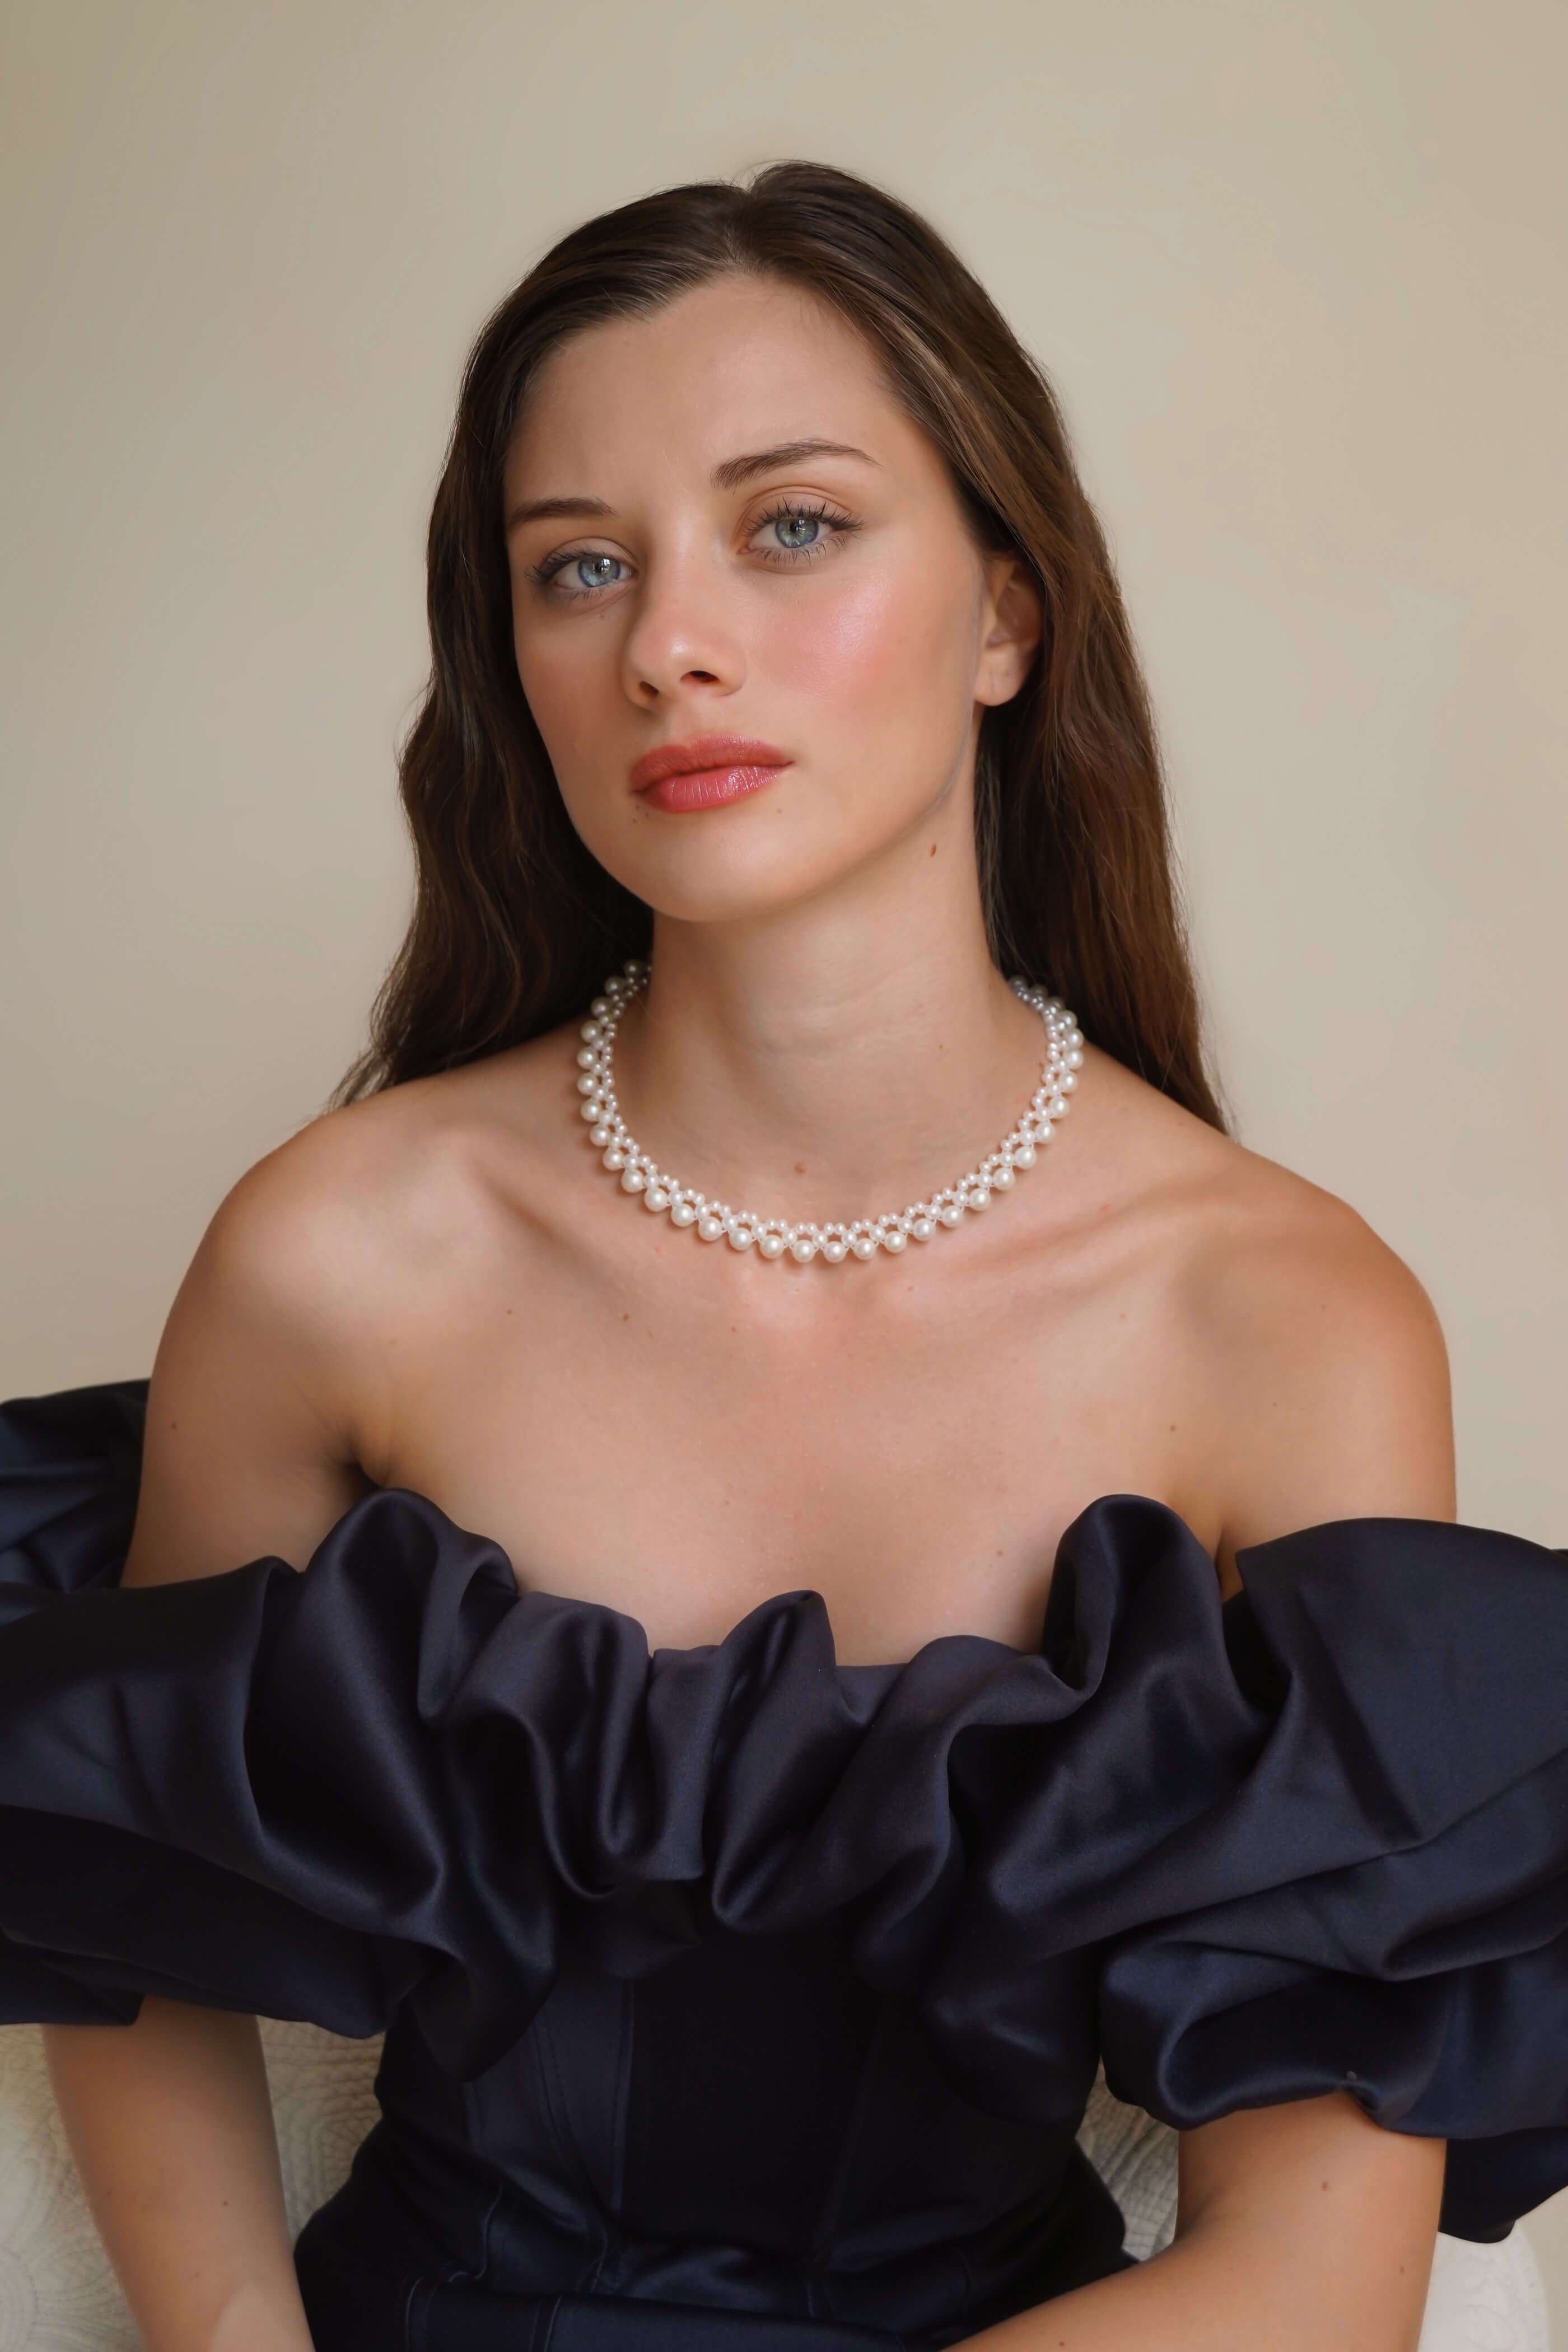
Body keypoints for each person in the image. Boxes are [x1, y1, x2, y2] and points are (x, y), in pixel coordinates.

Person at [2, 162, 1566, 2352]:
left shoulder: (1283, 1321)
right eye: (577, 568)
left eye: (794, 525)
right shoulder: (336, 1251)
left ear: (1008, 619)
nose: (669, 641)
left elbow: (1313, 2276)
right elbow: (139, 1931)